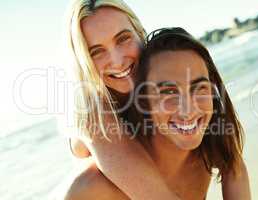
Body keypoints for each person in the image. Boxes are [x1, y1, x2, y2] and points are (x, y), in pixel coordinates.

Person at [63, 27, 251, 200]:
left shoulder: (209, 148)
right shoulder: (92, 190)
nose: (188, 109)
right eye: (168, 92)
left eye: (199, 88)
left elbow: (234, 167)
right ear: (143, 101)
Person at [63, 0, 181, 199]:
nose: (117, 61)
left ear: (139, 31)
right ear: (84, 61)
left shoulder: (167, 72)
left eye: (123, 38)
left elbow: (230, 161)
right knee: (89, 180)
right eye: (96, 52)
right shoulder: (94, 110)